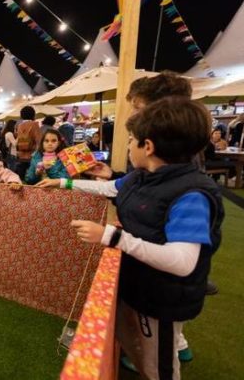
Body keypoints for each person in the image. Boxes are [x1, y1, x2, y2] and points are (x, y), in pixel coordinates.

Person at [38, 97, 224, 380]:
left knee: (158, 367)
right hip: (141, 288)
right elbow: (113, 187)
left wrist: (112, 237)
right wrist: (65, 182)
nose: (128, 146)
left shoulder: (191, 194)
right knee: (139, 352)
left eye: (131, 140)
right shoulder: (144, 176)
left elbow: (183, 261)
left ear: (147, 147)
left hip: (163, 300)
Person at [15, 106, 42, 181]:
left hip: (21, 156)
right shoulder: (34, 125)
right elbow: (39, 141)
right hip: (32, 156)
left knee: (21, 177)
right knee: (33, 179)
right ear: (33, 114)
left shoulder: (19, 126)